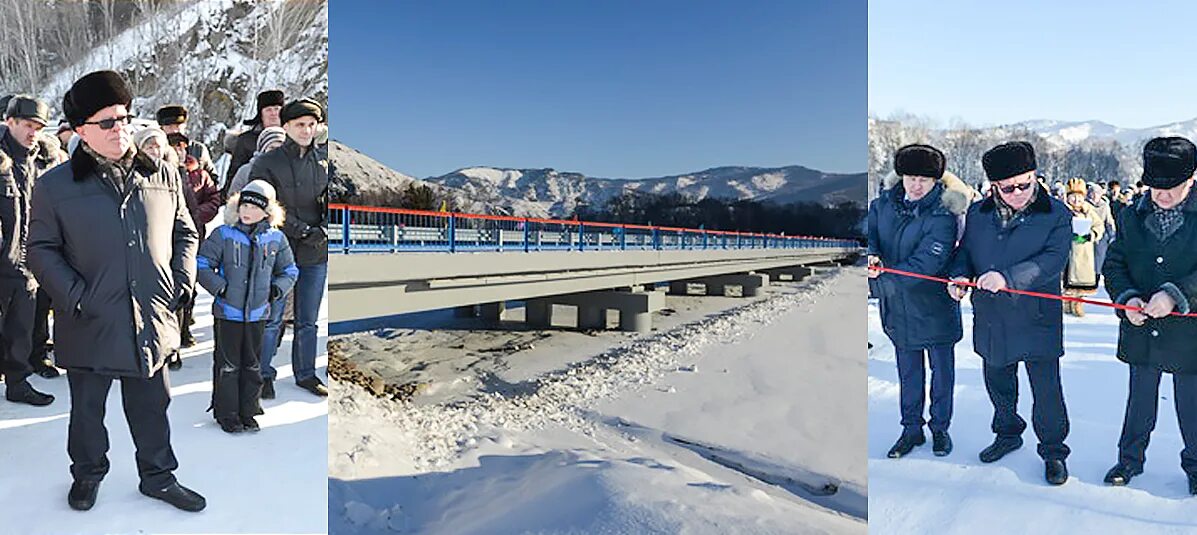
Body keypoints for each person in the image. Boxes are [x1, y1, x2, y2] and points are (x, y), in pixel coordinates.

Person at [27, 70, 205, 512]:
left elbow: (185, 232)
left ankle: (159, 477)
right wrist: (76, 297)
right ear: (82, 130)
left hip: (151, 317)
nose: (120, 129)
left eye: (124, 117)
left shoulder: (161, 173)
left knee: (152, 408)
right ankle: (87, 474)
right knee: (87, 414)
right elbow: (41, 250)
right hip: (90, 320)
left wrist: (179, 283)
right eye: (107, 122)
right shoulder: (56, 185)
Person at [948, 141, 1073, 485]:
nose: (1018, 192)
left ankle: (1053, 451)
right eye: (1008, 187)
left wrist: (1008, 278)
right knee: (999, 383)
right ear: (993, 187)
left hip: (1037, 317)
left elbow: (1052, 261)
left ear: (1035, 177)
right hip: (992, 317)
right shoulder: (978, 213)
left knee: (1046, 391)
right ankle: (1007, 433)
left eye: (1025, 184)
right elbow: (966, 252)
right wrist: (959, 275)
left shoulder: (1057, 214)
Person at [1102, 137, 1197, 495]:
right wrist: (1126, 299)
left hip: (1188, 335)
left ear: (1191, 178)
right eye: (1155, 188)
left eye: (1171, 187)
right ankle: (1129, 459)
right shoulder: (1131, 214)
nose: (1162, 195)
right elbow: (1114, 263)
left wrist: (1175, 295)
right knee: (1139, 400)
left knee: (1192, 405)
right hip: (1141, 329)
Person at [867, 144, 970, 458]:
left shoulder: (944, 213)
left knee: (941, 374)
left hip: (934, 306)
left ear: (936, 181)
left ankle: (940, 428)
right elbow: (869, 234)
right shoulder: (882, 205)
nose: (916, 185)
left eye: (924, 180)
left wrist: (877, 284)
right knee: (908, 373)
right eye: (911, 177)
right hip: (898, 309)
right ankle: (911, 429)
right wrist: (871, 255)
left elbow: (927, 264)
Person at [195, 180, 297, 433]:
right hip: (228, 311)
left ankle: (248, 410)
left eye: (254, 207)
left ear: (267, 212)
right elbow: (202, 263)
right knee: (227, 364)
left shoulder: (275, 239)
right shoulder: (224, 234)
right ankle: (226, 412)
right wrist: (221, 288)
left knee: (252, 365)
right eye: (244, 205)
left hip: (257, 313)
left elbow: (289, 269)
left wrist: (276, 289)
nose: (247, 211)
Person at [250, 98, 328, 398]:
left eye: (311, 125)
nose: (307, 130)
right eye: (300, 125)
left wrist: (324, 228)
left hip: (315, 251)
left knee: (308, 320)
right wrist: (302, 229)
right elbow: (265, 206)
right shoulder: (267, 162)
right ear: (286, 126)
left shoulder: (325, 160)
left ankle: (306, 373)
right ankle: (263, 374)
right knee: (272, 318)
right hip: (278, 249)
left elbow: (336, 196)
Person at [0, 96, 58, 403]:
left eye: (37, 127)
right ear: (10, 122)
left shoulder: (41, 161)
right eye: (26, 125)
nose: (32, 132)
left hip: (28, 262)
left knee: (21, 329)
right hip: (2, 258)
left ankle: (18, 384)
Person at [226, 89, 284, 198]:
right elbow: (234, 173)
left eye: (277, 109)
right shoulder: (246, 140)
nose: (273, 113)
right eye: (268, 110)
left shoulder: (293, 137)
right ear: (261, 114)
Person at [1062, 178, 1104, 316]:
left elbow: (1099, 226)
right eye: (1073, 197)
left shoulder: (1089, 210)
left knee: (1079, 281)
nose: (1076, 201)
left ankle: (1078, 303)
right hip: (1067, 249)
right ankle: (1066, 302)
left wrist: (1092, 235)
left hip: (1082, 250)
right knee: (1066, 278)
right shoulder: (1062, 211)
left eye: (1079, 198)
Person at [156, 105, 216, 178]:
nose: (175, 130)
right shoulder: (155, 149)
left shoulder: (198, 149)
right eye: (170, 127)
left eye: (178, 126)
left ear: (184, 126)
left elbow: (212, 176)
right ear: (162, 128)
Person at [227, 126, 285, 195]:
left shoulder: (292, 172)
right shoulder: (246, 171)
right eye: (272, 148)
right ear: (263, 149)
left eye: (280, 148)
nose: (276, 152)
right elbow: (232, 199)